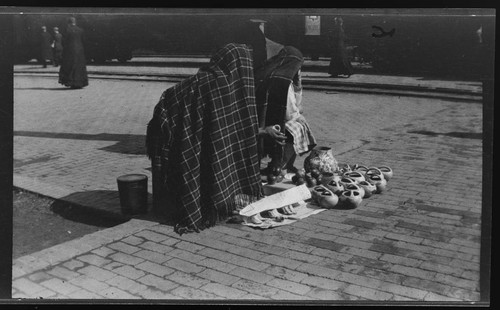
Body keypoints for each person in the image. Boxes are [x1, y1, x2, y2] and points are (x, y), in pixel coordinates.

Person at [146, 43, 263, 235]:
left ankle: (198, 206)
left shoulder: (207, 81)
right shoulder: (235, 86)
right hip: (207, 137)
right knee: (215, 161)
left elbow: (172, 97)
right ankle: (217, 206)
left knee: (201, 164)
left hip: (190, 134)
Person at [58, 17, 88, 89]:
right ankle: (79, 83)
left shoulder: (67, 30)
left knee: (69, 66)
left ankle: (71, 82)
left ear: (69, 23)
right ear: (75, 22)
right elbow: (84, 41)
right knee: (79, 66)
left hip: (69, 51)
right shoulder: (81, 30)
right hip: (79, 51)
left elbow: (63, 41)